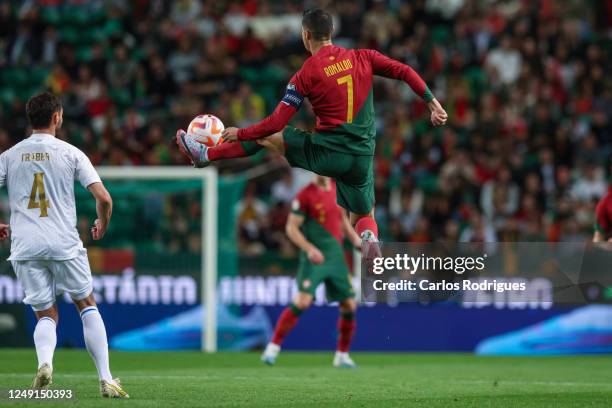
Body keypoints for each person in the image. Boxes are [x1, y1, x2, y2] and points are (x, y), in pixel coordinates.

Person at [176, 8, 447, 251]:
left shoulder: (306, 74)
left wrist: (242, 132)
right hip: (361, 157)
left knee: (267, 136)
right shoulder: (363, 56)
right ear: (331, 33)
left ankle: (206, 156)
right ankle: (370, 241)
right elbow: (404, 70)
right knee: (364, 216)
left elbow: (276, 123)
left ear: (306, 36)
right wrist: (432, 104)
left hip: (327, 153)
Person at [0, 92, 128, 398]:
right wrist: (103, 223)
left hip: (25, 245)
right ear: (57, 117)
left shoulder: (9, 156)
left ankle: (45, 363)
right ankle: (106, 379)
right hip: (63, 243)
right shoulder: (71, 153)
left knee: (45, 314)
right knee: (86, 304)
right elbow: (104, 199)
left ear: (30, 119)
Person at [260, 175, 362, 367]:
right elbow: (291, 228)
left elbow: (342, 221)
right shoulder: (305, 195)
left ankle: (342, 355)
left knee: (349, 305)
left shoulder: (337, 189)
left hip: (335, 256)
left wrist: (356, 240)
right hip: (314, 257)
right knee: (303, 301)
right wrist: (309, 249)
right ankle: (273, 347)